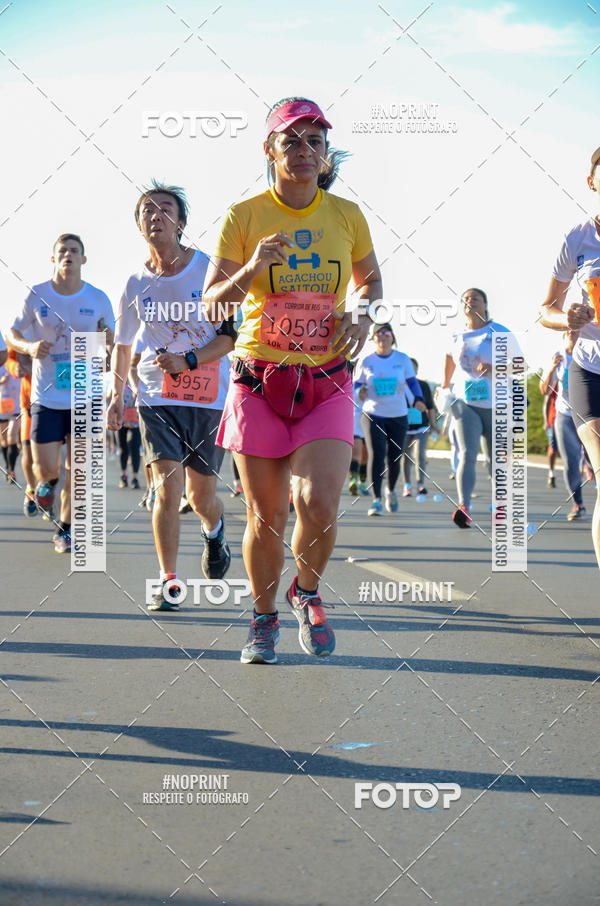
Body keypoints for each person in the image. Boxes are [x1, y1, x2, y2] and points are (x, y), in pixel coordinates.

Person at [203, 96, 380, 664]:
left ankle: (305, 591)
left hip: (326, 379)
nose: (305, 151)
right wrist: (253, 268)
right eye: (293, 141)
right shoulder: (244, 215)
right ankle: (261, 618)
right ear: (270, 150)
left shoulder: (347, 215)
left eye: (315, 142)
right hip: (260, 380)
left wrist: (364, 312)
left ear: (326, 155)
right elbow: (211, 305)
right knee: (268, 516)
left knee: (321, 502)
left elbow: (371, 284)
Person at [107, 180, 235, 611]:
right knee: (166, 488)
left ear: (181, 223)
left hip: (206, 396)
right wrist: (115, 394)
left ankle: (214, 530)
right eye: (147, 210)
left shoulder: (208, 270)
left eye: (165, 209)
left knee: (200, 498)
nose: (155, 215)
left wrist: (190, 361)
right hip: (155, 395)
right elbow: (123, 344)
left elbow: (230, 338)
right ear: (139, 225)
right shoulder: (134, 282)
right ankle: (168, 581)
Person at [8, 234, 114, 553]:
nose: (68, 255)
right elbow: (12, 333)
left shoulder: (97, 297)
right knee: (48, 468)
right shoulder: (37, 294)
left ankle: (66, 529)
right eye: (62, 251)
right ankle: (46, 485)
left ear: (83, 259)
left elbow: (111, 336)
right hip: (47, 396)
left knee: (79, 470)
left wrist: (103, 337)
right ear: (53, 259)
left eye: (74, 251)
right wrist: (29, 346)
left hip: (87, 393)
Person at [539, 145, 600, 563]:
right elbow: (545, 309)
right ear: (592, 181)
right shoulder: (577, 238)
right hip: (589, 371)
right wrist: (568, 320)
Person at [440, 288, 514, 528]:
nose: (470, 301)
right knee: (467, 454)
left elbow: (521, 365)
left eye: (475, 298)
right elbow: (449, 358)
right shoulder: (457, 335)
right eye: (466, 298)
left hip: (496, 404)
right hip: (465, 403)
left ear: (485, 304)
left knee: (495, 460)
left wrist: (494, 368)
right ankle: (464, 507)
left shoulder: (499, 332)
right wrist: (443, 386)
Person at [354, 324, 426, 515]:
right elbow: (356, 384)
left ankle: (391, 490)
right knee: (376, 455)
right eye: (379, 333)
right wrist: (358, 391)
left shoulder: (402, 359)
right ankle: (376, 500)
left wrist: (419, 399)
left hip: (397, 414)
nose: (383, 337)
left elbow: (411, 382)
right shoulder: (367, 360)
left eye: (387, 333)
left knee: (394, 457)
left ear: (392, 337)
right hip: (372, 414)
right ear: (374, 338)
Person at [541, 336, 586, 521]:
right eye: (568, 329)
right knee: (571, 462)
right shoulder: (557, 355)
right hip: (565, 415)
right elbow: (544, 390)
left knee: (594, 460)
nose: (572, 333)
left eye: (576, 329)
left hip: (589, 415)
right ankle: (578, 504)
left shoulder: (591, 351)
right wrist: (552, 368)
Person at [5, 343, 37, 514]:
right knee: (28, 452)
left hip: (65, 401)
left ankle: (51, 491)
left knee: (61, 459)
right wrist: (14, 366)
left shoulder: (73, 321)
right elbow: (8, 355)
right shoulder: (26, 324)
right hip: (30, 402)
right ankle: (31, 489)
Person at [401, 358, 436, 497]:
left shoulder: (423, 385)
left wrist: (433, 425)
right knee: (405, 456)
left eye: (412, 368)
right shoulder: (399, 385)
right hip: (404, 427)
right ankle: (407, 485)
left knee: (420, 455)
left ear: (416, 370)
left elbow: (430, 407)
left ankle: (420, 484)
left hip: (422, 427)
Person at [540, 352, 561, 488]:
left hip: (572, 418)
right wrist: (545, 421)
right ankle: (551, 472)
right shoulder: (554, 380)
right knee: (553, 448)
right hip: (554, 418)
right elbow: (546, 398)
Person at [0, 363, 21, 483]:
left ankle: (12, 470)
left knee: (11, 437)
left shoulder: (19, 362)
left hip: (16, 406)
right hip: (2, 406)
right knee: (3, 440)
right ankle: (8, 466)